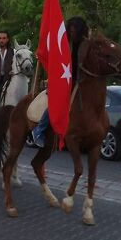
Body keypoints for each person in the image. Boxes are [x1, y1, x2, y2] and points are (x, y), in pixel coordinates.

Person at [31, 16, 90, 148]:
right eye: (70, 30)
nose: (71, 33)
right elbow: (57, 62)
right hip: (65, 80)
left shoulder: (86, 45)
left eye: (74, 30)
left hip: (82, 80)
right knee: (58, 103)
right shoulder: (65, 44)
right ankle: (39, 130)